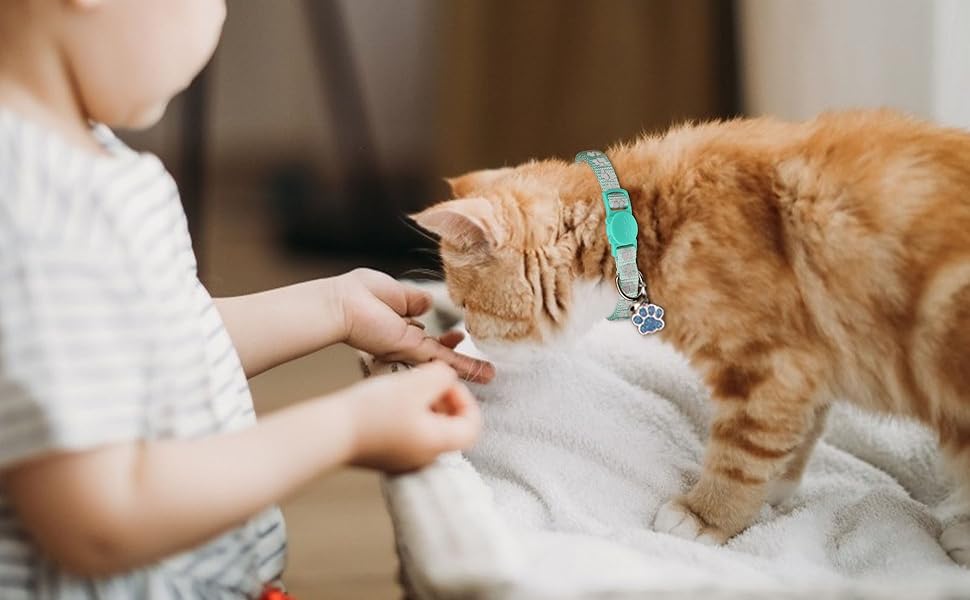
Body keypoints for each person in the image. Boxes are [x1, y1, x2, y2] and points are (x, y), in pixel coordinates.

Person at [0, 1, 493, 598]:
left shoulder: (74, 162)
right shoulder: (40, 212)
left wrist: (331, 307)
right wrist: (349, 428)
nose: (217, 22)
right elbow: (101, 520)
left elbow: (152, 357)